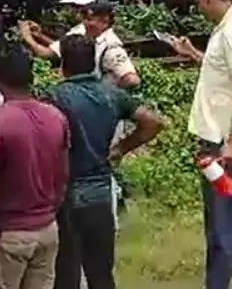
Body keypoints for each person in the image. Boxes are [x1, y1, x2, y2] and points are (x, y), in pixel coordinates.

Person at [169, 0, 232, 289]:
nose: (199, 8)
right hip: (221, 142)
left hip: (222, 147)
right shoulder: (225, 30)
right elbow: (222, 72)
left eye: (198, 2)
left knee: (223, 222)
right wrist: (193, 54)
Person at [48, 34, 164, 289]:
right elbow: (153, 122)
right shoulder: (112, 94)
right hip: (101, 192)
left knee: (66, 273)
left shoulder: (55, 97)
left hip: (66, 193)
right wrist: (122, 147)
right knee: (101, 273)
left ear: (63, 66)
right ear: (93, 63)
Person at [0, 47, 68, 289]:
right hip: (47, 229)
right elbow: (64, 174)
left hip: (7, 234)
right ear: (31, 77)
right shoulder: (56, 117)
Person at [20, 0, 140, 89]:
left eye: (90, 19)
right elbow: (66, 49)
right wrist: (40, 36)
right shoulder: (87, 35)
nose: (86, 23)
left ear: (104, 21)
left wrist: (27, 37)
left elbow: (132, 80)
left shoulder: (110, 46)